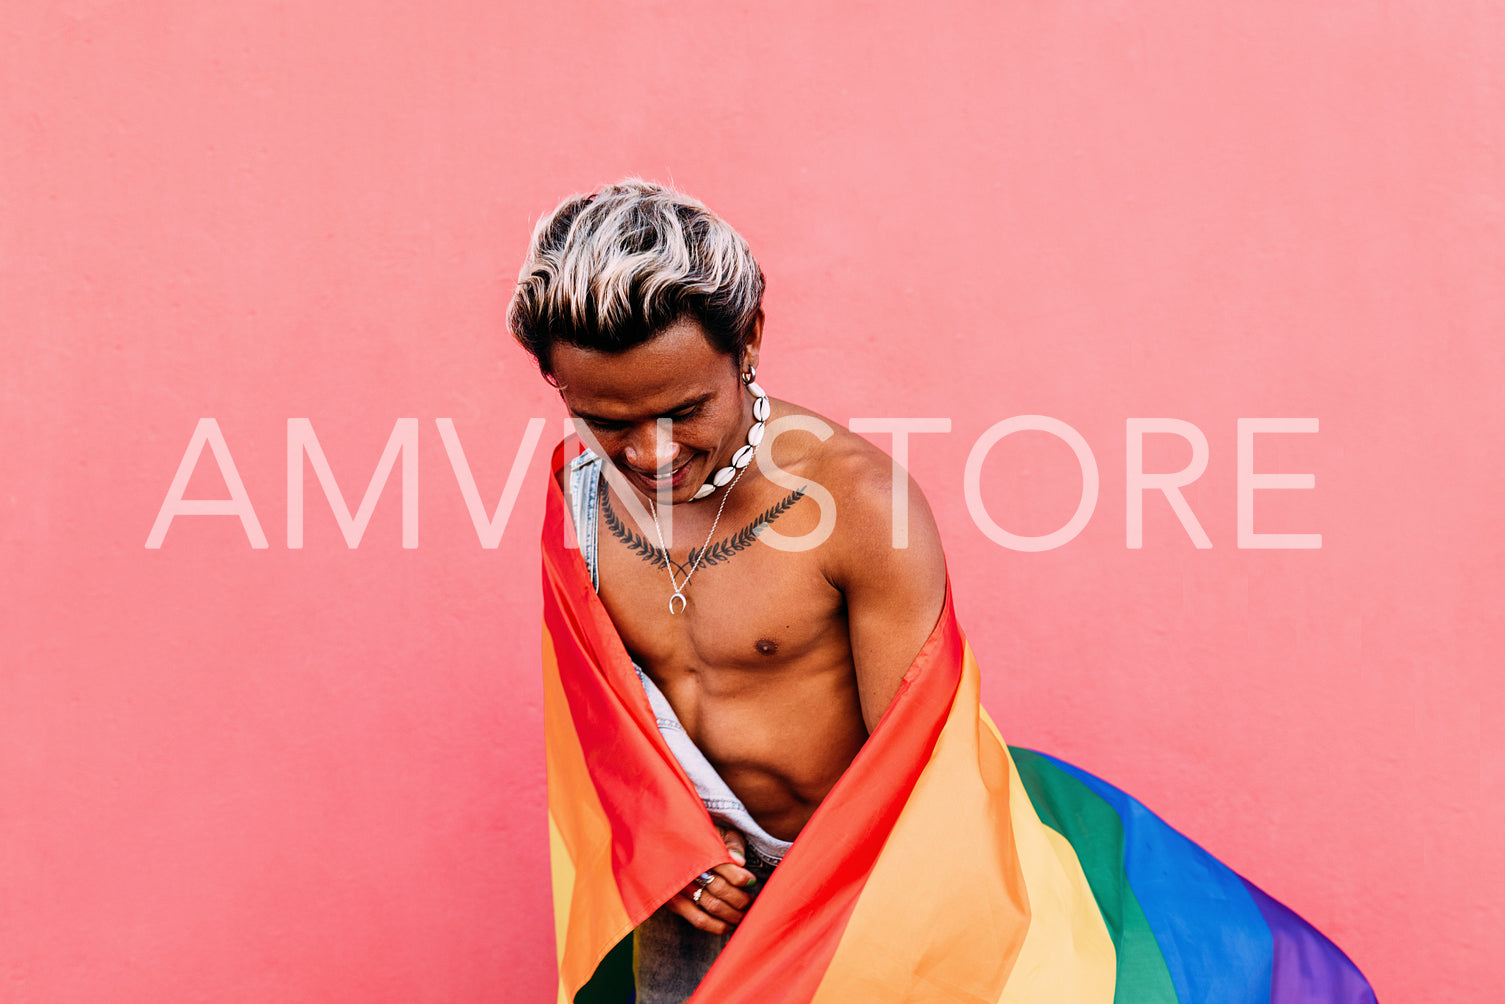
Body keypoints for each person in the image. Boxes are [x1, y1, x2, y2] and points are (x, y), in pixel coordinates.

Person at [509, 180, 1374, 1004]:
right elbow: (606, 738)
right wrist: (668, 842)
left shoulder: (856, 507)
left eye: (683, 411)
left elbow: (913, 776)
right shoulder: (579, 502)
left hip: (874, 878)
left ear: (751, 342)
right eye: (610, 420)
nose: (650, 455)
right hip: (704, 888)